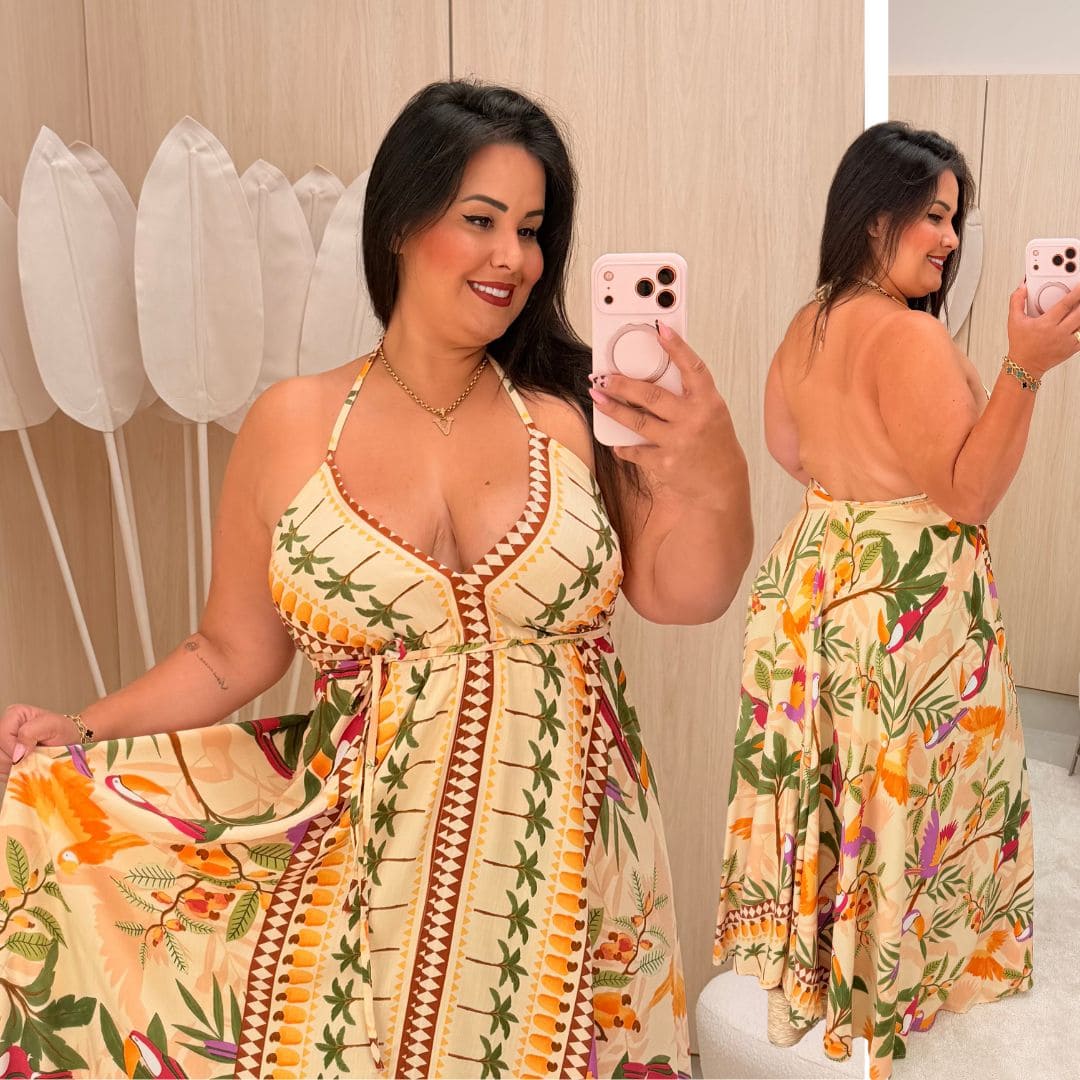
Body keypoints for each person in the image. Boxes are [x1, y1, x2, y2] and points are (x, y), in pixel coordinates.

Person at [0, 81, 752, 1080]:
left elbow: (686, 594)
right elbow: (227, 652)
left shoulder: (577, 408)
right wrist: (83, 729)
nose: (512, 257)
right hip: (364, 880)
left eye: (532, 230)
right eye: (480, 220)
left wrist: (715, 461)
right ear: (400, 222)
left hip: (572, 875)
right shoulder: (293, 424)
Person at [713, 121, 1080, 1078]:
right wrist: (1025, 366)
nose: (950, 239)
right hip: (903, 608)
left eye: (955, 219)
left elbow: (791, 452)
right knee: (911, 788)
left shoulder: (810, 322)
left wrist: (858, 483)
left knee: (838, 784)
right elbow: (968, 492)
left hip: (814, 589)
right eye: (934, 216)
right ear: (874, 216)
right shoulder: (909, 336)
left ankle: (822, 964)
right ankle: (905, 975)